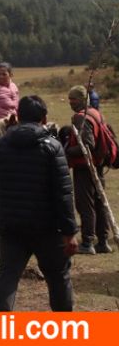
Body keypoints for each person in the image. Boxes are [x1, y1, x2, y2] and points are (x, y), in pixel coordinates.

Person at [0, 96, 77, 312]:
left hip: (10, 225)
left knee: (7, 276)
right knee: (58, 277)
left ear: (17, 117)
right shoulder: (53, 147)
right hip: (47, 227)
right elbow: (63, 193)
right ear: (44, 118)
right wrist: (70, 231)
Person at [64, 86, 113, 254]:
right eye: (69, 99)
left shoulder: (80, 118)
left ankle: (87, 242)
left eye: (74, 99)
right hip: (97, 165)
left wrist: (66, 150)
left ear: (83, 100)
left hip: (85, 166)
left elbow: (87, 145)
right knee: (99, 203)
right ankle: (103, 241)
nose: (71, 102)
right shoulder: (96, 113)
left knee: (86, 205)